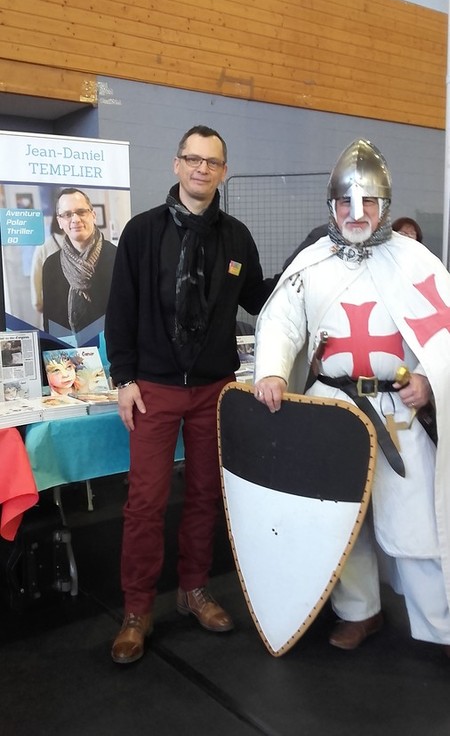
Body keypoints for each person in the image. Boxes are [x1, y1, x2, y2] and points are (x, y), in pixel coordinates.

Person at [253, 138, 450, 656]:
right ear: (331, 206)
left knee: (419, 519)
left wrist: (428, 378)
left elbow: (444, 332)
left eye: (367, 203)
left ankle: (439, 625)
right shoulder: (312, 263)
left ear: (385, 206)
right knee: (342, 517)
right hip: (331, 409)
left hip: (397, 412)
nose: (356, 213)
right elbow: (280, 320)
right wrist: (273, 371)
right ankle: (360, 612)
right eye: (346, 202)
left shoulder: (415, 262)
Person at [105, 124, 275, 664]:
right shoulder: (141, 232)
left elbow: (259, 299)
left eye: (212, 162)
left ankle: (193, 590)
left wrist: (312, 262)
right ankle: (136, 611)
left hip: (213, 391)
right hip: (153, 389)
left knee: (205, 496)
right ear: (176, 165)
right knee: (145, 504)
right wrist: (124, 380)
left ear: (223, 171)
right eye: (192, 159)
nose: (202, 168)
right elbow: (122, 309)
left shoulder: (237, 239)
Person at [42, 188, 117, 341]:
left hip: (111, 356)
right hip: (67, 359)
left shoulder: (118, 257)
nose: (75, 219)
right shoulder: (51, 265)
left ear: (93, 215)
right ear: (60, 222)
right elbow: (50, 324)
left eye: (81, 212)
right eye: (67, 214)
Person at [30, 211, 65, 315]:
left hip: (53, 306)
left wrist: (37, 302)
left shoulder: (43, 246)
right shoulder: (82, 244)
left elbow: (35, 276)